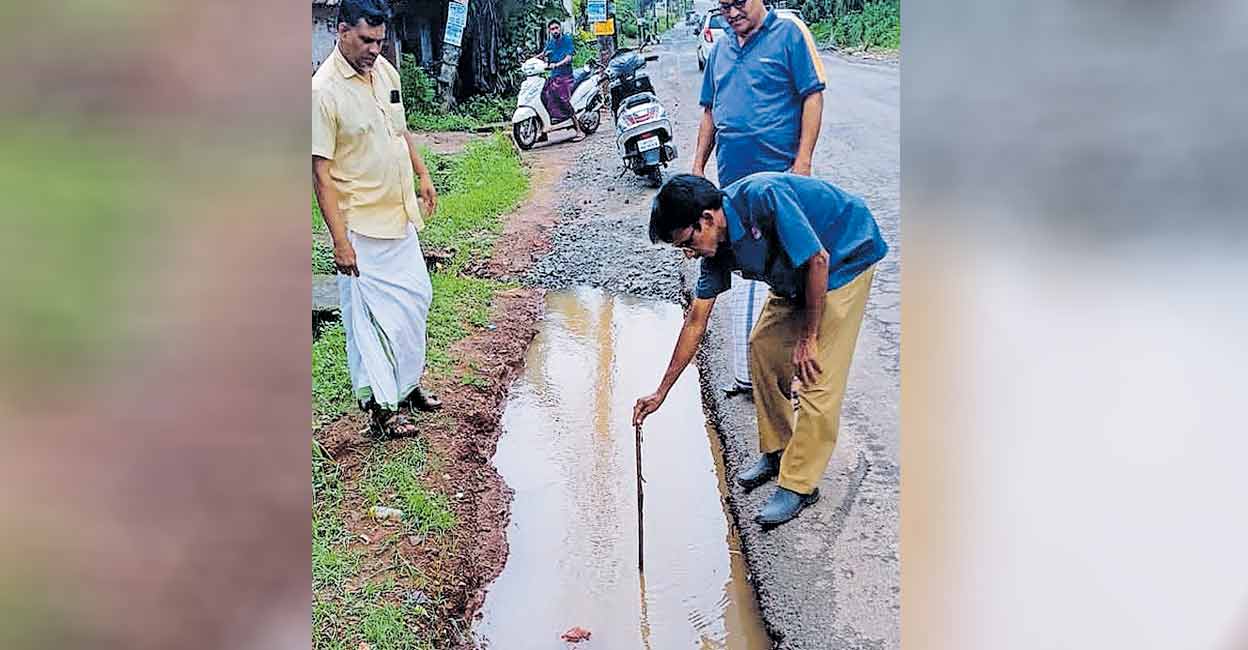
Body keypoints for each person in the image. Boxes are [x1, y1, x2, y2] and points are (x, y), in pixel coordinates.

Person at [633, 173, 887, 528]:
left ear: (707, 218)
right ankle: (780, 450)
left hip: (843, 259)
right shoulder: (716, 252)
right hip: (794, 276)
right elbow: (695, 322)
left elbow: (818, 260)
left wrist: (808, 337)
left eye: (687, 243)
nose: (688, 254)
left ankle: (800, 483)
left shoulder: (763, 198)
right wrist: (662, 391)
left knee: (817, 375)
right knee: (763, 347)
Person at [312, 0, 443, 438]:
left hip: (399, 215)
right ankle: (383, 408)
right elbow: (320, 172)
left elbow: (400, 130)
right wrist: (338, 241)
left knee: (415, 302)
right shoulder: (323, 90)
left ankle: (406, 387)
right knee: (371, 321)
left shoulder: (386, 73)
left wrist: (423, 174)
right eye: (366, 40)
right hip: (360, 227)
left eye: (380, 41)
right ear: (341, 29)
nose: (373, 49)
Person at [693, 0, 827, 397]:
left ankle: (800, 375)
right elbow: (709, 113)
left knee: (793, 274)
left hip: (781, 186)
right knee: (748, 271)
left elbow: (813, 97)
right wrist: (698, 168)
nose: (731, 12)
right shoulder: (719, 49)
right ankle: (750, 375)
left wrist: (803, 161)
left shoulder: (788, 35)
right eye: (723, 6)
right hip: (734, 190)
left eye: (738, 3)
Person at [538, 19, 585, 142]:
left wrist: (557, 64)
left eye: (556, 28)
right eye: (552, 29)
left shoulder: (567, 40)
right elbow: (543, 54)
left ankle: (579, 130)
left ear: (560, 28)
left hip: (565, 76)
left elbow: (569, 58)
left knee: (563, 99)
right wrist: (529, 61)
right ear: (549, 31)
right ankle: (544, 131)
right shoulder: (550, 42)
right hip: (554, 76)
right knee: (543, 96)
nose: (555, 31)